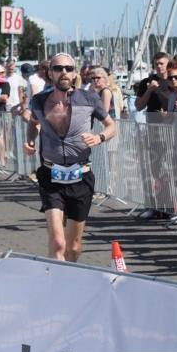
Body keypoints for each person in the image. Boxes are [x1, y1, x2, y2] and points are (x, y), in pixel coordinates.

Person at [23, 54, 117, 262]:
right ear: (50, 73)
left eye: (68, 68)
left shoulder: (89, 98)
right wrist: (30, 140)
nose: (63, 72)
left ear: (74, 73)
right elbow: (33, 122)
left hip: (80, 176)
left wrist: (99, 137)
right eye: (58, 68)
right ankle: (55, 284)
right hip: (51, 175)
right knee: (58, 242)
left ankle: (69, 280)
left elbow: (112, 126)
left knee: (73, 247)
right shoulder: (39, 101)